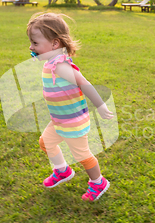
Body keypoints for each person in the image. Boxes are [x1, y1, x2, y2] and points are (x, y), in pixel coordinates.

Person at [27, 12, 114, 201]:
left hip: (73, 122)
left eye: (35, 43)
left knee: (82, 155)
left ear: (55, 44)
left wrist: (100, 105)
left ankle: (98, 182)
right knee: (46, 142)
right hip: (59, 120)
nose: (31, 47)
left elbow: (84, 83)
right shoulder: (50, 64)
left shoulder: (61, 66)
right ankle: (62, 171)